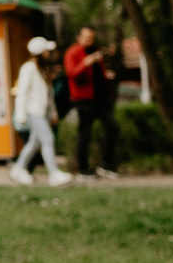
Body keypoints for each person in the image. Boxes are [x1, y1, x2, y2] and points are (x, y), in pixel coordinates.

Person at [8, 35, 73, 187]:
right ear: (40, 52)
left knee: (33, 143)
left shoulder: (41, 69)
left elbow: (48, 95)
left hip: (40, 112)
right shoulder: (29, 68)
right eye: (46, 50)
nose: (49, 53)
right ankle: (54, 174)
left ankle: (18, 169)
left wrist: (53, 113)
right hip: (33, 112)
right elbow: (22, 93)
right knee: (48, 139)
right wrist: (21, 115)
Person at [66, 26, 120, 179]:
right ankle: (83, 169)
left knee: (113, 128)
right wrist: (85, 63)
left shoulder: (95, 51)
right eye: (86, 37)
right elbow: (72, 73)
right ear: (79, 37)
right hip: (83, 99)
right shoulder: (73, 52)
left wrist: (106, 76)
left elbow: (97, 73)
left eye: (91, 38)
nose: (89, 41)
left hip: (100, 98)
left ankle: (106, 165)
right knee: (85, 134)